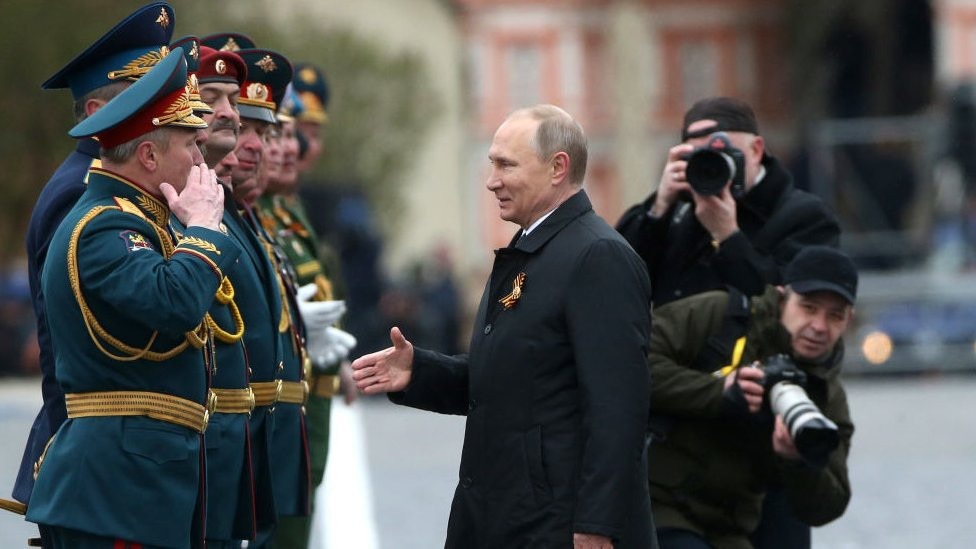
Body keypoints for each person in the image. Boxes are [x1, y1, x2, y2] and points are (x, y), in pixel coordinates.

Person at [352, 105, 656, 549]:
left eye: (506, 165)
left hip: (559, 527)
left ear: (557, 168)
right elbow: (513, 382)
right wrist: (421, 371)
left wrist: (598, 523)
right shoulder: (533, 249)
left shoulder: (597, 257)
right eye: (491, 164)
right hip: (509, 518)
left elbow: (618, 408)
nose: (492, 180)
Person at [24, 48, 240, 549]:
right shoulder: (104, 226)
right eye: (190, 145)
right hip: (117, 488)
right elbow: (174, 303)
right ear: (148, 156)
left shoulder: (142, 221)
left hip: (140, 484)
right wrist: (203, 230)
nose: (200, 158)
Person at [11, 3, 176, 544]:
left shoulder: (124, 185)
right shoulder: (81, 193)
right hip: (101, 456)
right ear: (98, 111)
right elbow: (72, 342)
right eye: (144, 98)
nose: (164, 110)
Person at [647, 245, 856, 549]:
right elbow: (629, 362)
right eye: (809, 308)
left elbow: (828, 506)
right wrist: (719, 392)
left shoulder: (827, 396)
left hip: (730, 526)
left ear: (848, 320)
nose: (819, 327)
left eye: (835, 316)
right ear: (782, 297)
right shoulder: (721, 317)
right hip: (657, 504)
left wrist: (798, 460)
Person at [258, 70, 357, 549]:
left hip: (308, 398)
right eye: (277, 134)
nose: (294, 148)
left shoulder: (285, 211)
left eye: (298, 136)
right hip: (280, 404)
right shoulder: (263, 212)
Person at [616, 96, 841, 307]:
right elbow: (618, 279)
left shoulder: (807, 218)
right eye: (700, 158)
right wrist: (657, 209)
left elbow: (792, 309)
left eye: (722, 155)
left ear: (756, 150)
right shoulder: (679, 211)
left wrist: (729, 237)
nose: (711, 167)